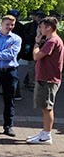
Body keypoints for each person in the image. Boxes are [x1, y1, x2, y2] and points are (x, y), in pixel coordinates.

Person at [27, 17, 63, 145]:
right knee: (45, 107)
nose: (40, 29)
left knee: (47, 107)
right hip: (46, 78)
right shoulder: (51, 40)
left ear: (49, 27)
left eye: (41, 27)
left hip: (48, 79)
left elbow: (36, 56)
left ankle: (47, 135)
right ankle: (44, 132)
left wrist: (36, 44)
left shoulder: (52, 41)